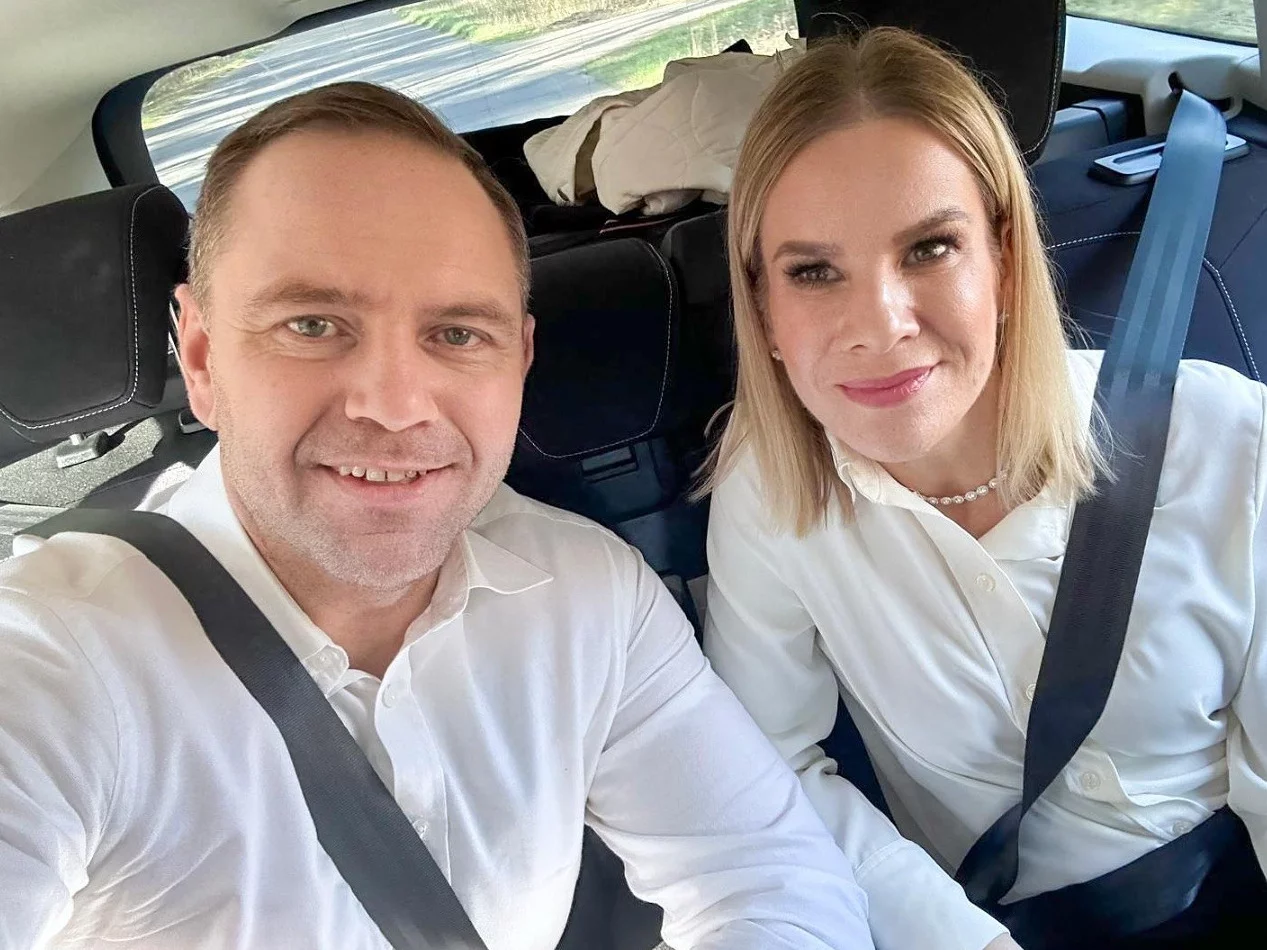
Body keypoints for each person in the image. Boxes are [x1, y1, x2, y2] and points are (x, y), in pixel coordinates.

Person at [0, 82, 878, 950]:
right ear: (200, 356)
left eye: (458, 334)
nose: (394, 406)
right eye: (312, 325)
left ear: (519, 360)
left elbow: (766, 877)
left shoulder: (587, 595)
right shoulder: (49, 659)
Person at [701, 26, 1267, 950]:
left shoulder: (1231, 442)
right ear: (762, 309)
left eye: (928, 248)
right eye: (813, 272)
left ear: (1003, 260)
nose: (879, 324)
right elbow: (772, 770)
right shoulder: (769, 492)